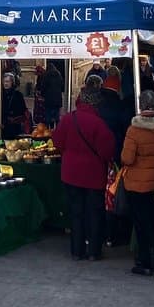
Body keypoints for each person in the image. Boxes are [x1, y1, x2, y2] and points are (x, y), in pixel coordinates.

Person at [53, 84, 116, 261]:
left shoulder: (68, 119)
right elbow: (107, 151)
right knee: (94, 214)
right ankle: (94, 251)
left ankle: (77, 250)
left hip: (71, 174)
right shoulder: (99, 123)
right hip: (93, 176)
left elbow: (57, 142)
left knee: (76, 213)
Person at [120, 90, 154, 276]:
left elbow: (127, 158)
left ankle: (145, 262)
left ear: (141, 105)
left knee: (142, 224)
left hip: (138, 183)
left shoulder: (135, 130)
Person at [0, 72, 28, 139]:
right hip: (2, 124)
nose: (5, 83)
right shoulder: (0, 94)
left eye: (7, 81)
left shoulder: (18, 95)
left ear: (12, 82)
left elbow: (22, 110)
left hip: (14, 125)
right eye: (4, 81)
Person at [41, 64, 64, 129]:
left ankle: (49, 131)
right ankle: (57, 130)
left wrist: (42, 94)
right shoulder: (59, 75)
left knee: (48, 116)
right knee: (57, 116)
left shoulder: (46, 75)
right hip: (57, 100)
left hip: (48, 100)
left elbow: (43, 87)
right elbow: (62, 86)